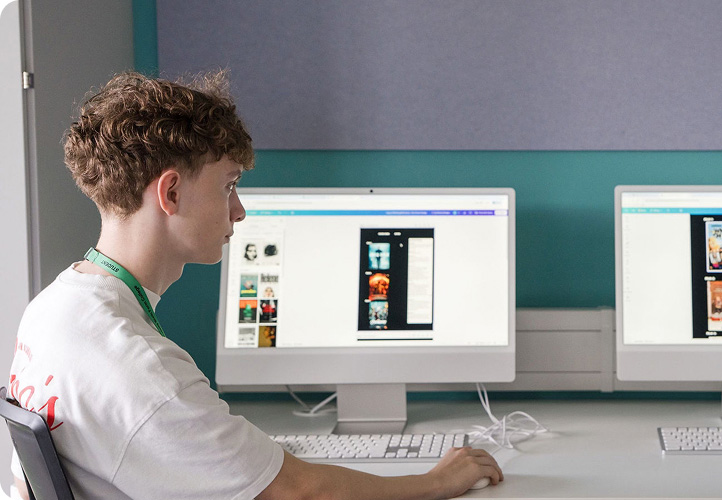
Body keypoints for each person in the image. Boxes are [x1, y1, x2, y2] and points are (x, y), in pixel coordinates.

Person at [7, 71, 501, 499]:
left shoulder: (54, 309)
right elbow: (299, 493)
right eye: (228, 185)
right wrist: (436, 481)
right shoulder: (143, 370)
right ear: (171, 192)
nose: (239, 211)